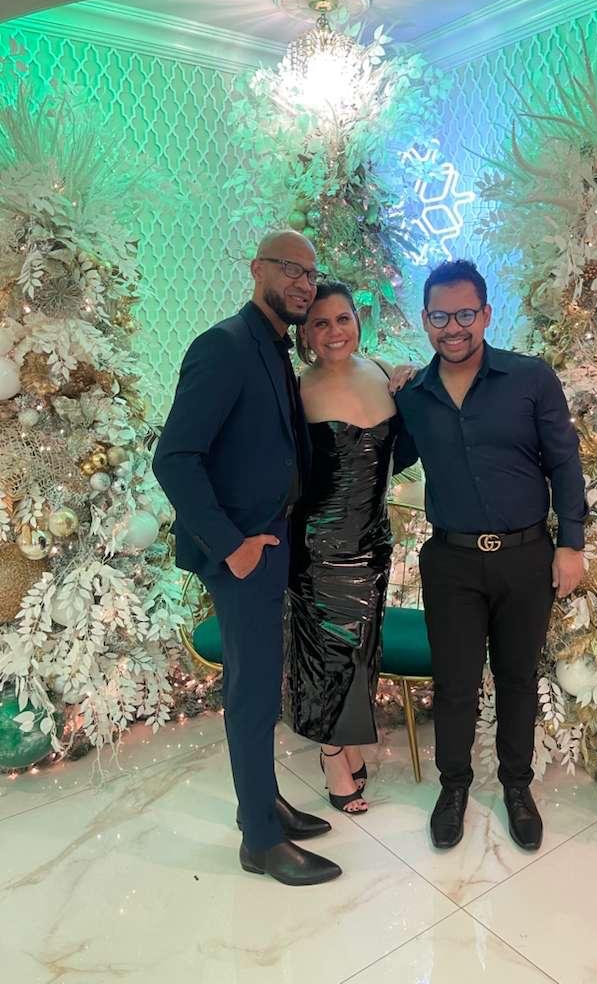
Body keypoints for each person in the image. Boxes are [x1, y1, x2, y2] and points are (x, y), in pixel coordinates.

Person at [153, 230, 342, 887]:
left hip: (272, 543)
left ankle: (263, 803)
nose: (303, 283)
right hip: (243, 551)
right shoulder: (225, 346)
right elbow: (174, 458)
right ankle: (260, 841)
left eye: (310, 274)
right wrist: (231, 546)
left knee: (264, 684)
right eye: (290, 269)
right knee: (254, 691)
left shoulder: (273, 346)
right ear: (258, 268)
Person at [395, 259, 587, 853]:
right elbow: (388, 458)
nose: (452, 328)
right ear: (425, 320)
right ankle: (453, 788)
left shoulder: (530, 378)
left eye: (464, 314)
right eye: (440, 316)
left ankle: (517, 787)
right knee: (454, 685)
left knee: (517, 679)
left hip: (525, 557)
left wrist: (571, 543)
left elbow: (564, 461)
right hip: (450, 561)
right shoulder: (415, 395)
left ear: (485, 314)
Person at [287, 281, 417, 815]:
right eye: (320, 323)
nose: (334, 331)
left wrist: (410, 388)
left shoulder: (382, 371)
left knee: (363, 648)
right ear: (305, 335)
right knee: (329, 655)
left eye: (342, 319)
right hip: (320, 547)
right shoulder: (297, 390)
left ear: (357, 323)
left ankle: (349, 739)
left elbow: (403, 452)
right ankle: (332, 755)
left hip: (374, 540)